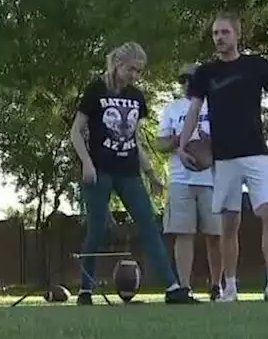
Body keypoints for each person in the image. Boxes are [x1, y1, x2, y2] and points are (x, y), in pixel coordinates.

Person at [178, 11, 268, 303]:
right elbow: (193, 111)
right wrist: (182, 145)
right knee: (229, 224)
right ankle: (230, 288)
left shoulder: (257, 65)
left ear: (237, 34)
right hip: (224, 159)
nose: (219, 38)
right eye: (215, 33)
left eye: (224, 32)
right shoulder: (205, 73)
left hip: (257, 153)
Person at [70, 42, 196, 305]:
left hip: (129, 172)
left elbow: (135, 137)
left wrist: (151, 173)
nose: (135, 76)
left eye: (139, 71)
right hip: (100, 171)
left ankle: (173, 288)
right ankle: (86, 290)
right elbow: (76, 132)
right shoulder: (96, 90)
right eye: (131, 69)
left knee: (150, 225)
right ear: (117, 64)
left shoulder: (136, 97)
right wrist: (87, 163)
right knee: (97, 230)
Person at [157, 63, 224, 300]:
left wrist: (208, 145)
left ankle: (217, 286)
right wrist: (180, 141)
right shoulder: (172, 108)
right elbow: (160, 144)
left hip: (212, 179)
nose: (187, 82)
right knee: (183, 233)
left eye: (191, 78)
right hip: (180, 179)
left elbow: (227, 139)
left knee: (215, 235)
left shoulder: (216, 105)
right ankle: (184, 287)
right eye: (183, 79)